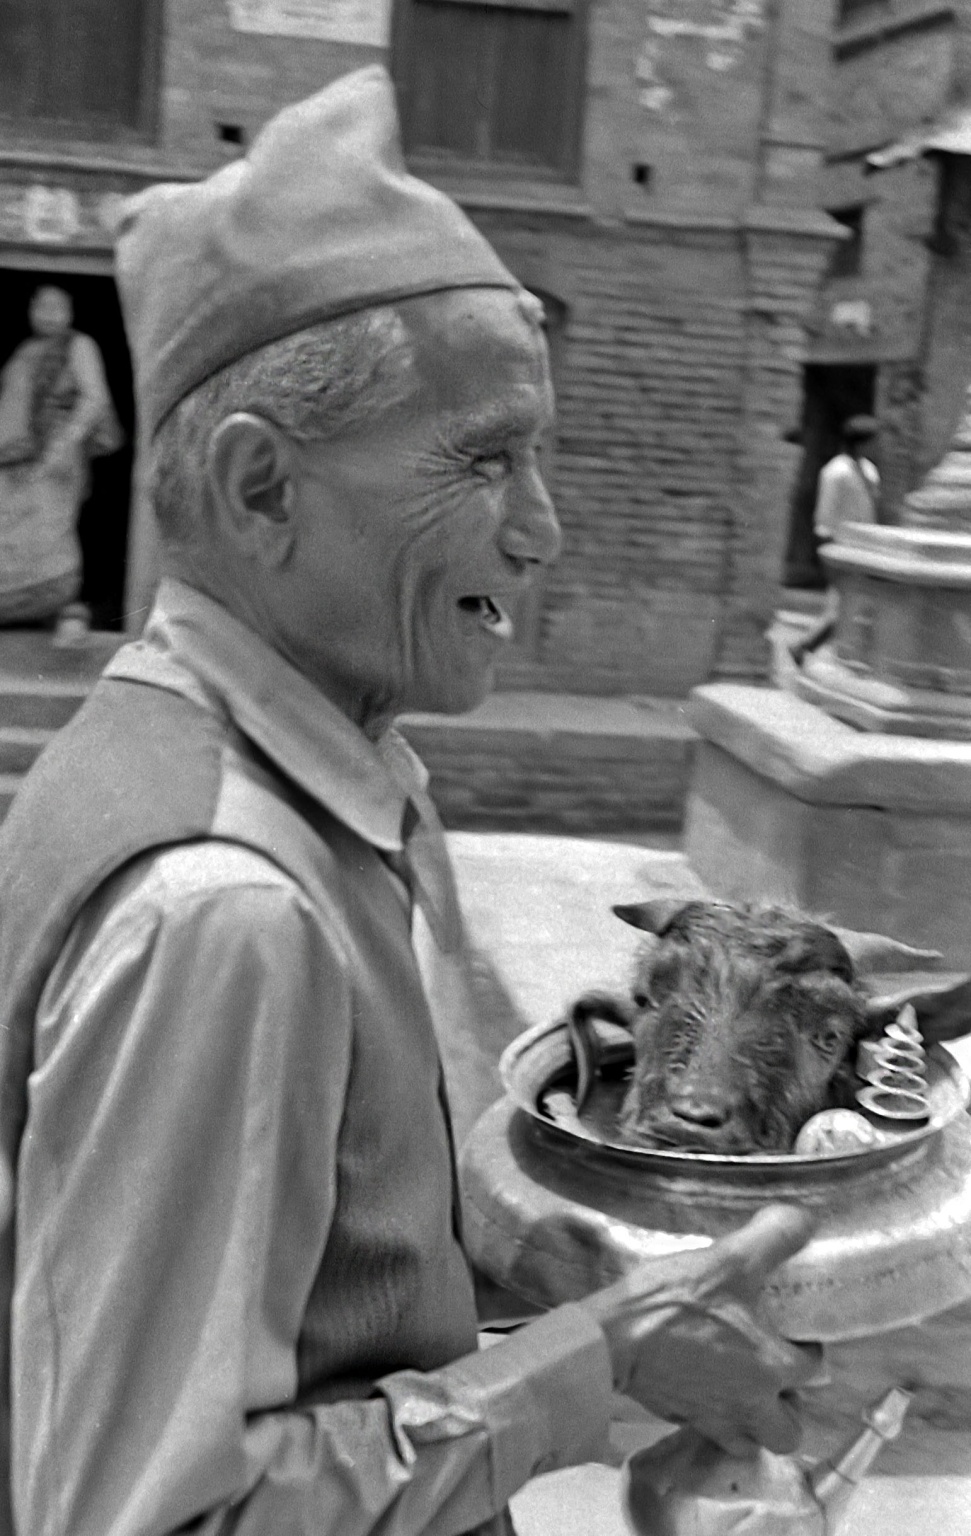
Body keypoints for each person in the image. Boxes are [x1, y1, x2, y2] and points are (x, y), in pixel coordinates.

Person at [0, 69, 820, 1536]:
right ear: (262, 490)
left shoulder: (271, 771)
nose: (542, 529)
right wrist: (598, 1364)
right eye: (483, 459)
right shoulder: (225, 910)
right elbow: (152, 1512)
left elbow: (326, 1249)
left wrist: (542, 1270)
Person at [0, 284, 122, 628]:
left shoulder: (79, 345)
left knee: (46, 540)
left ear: (70, 312)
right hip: (12, 460)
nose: (50, 314)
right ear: (30, 310)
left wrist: (61, 448)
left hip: (51, 460)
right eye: (43, 306)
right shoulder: (26, 350)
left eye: (58, 307)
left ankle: (57, 608)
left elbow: (94, 399)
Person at [791, 414, 880, 665]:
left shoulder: (870, 471)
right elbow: (825, 516)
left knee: (846, 606)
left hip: (864, 549)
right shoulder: (835, 472)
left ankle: (805, 648)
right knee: (845, 606)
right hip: (840, 547)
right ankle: (805, 646)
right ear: (862, 443)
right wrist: (828, 552)